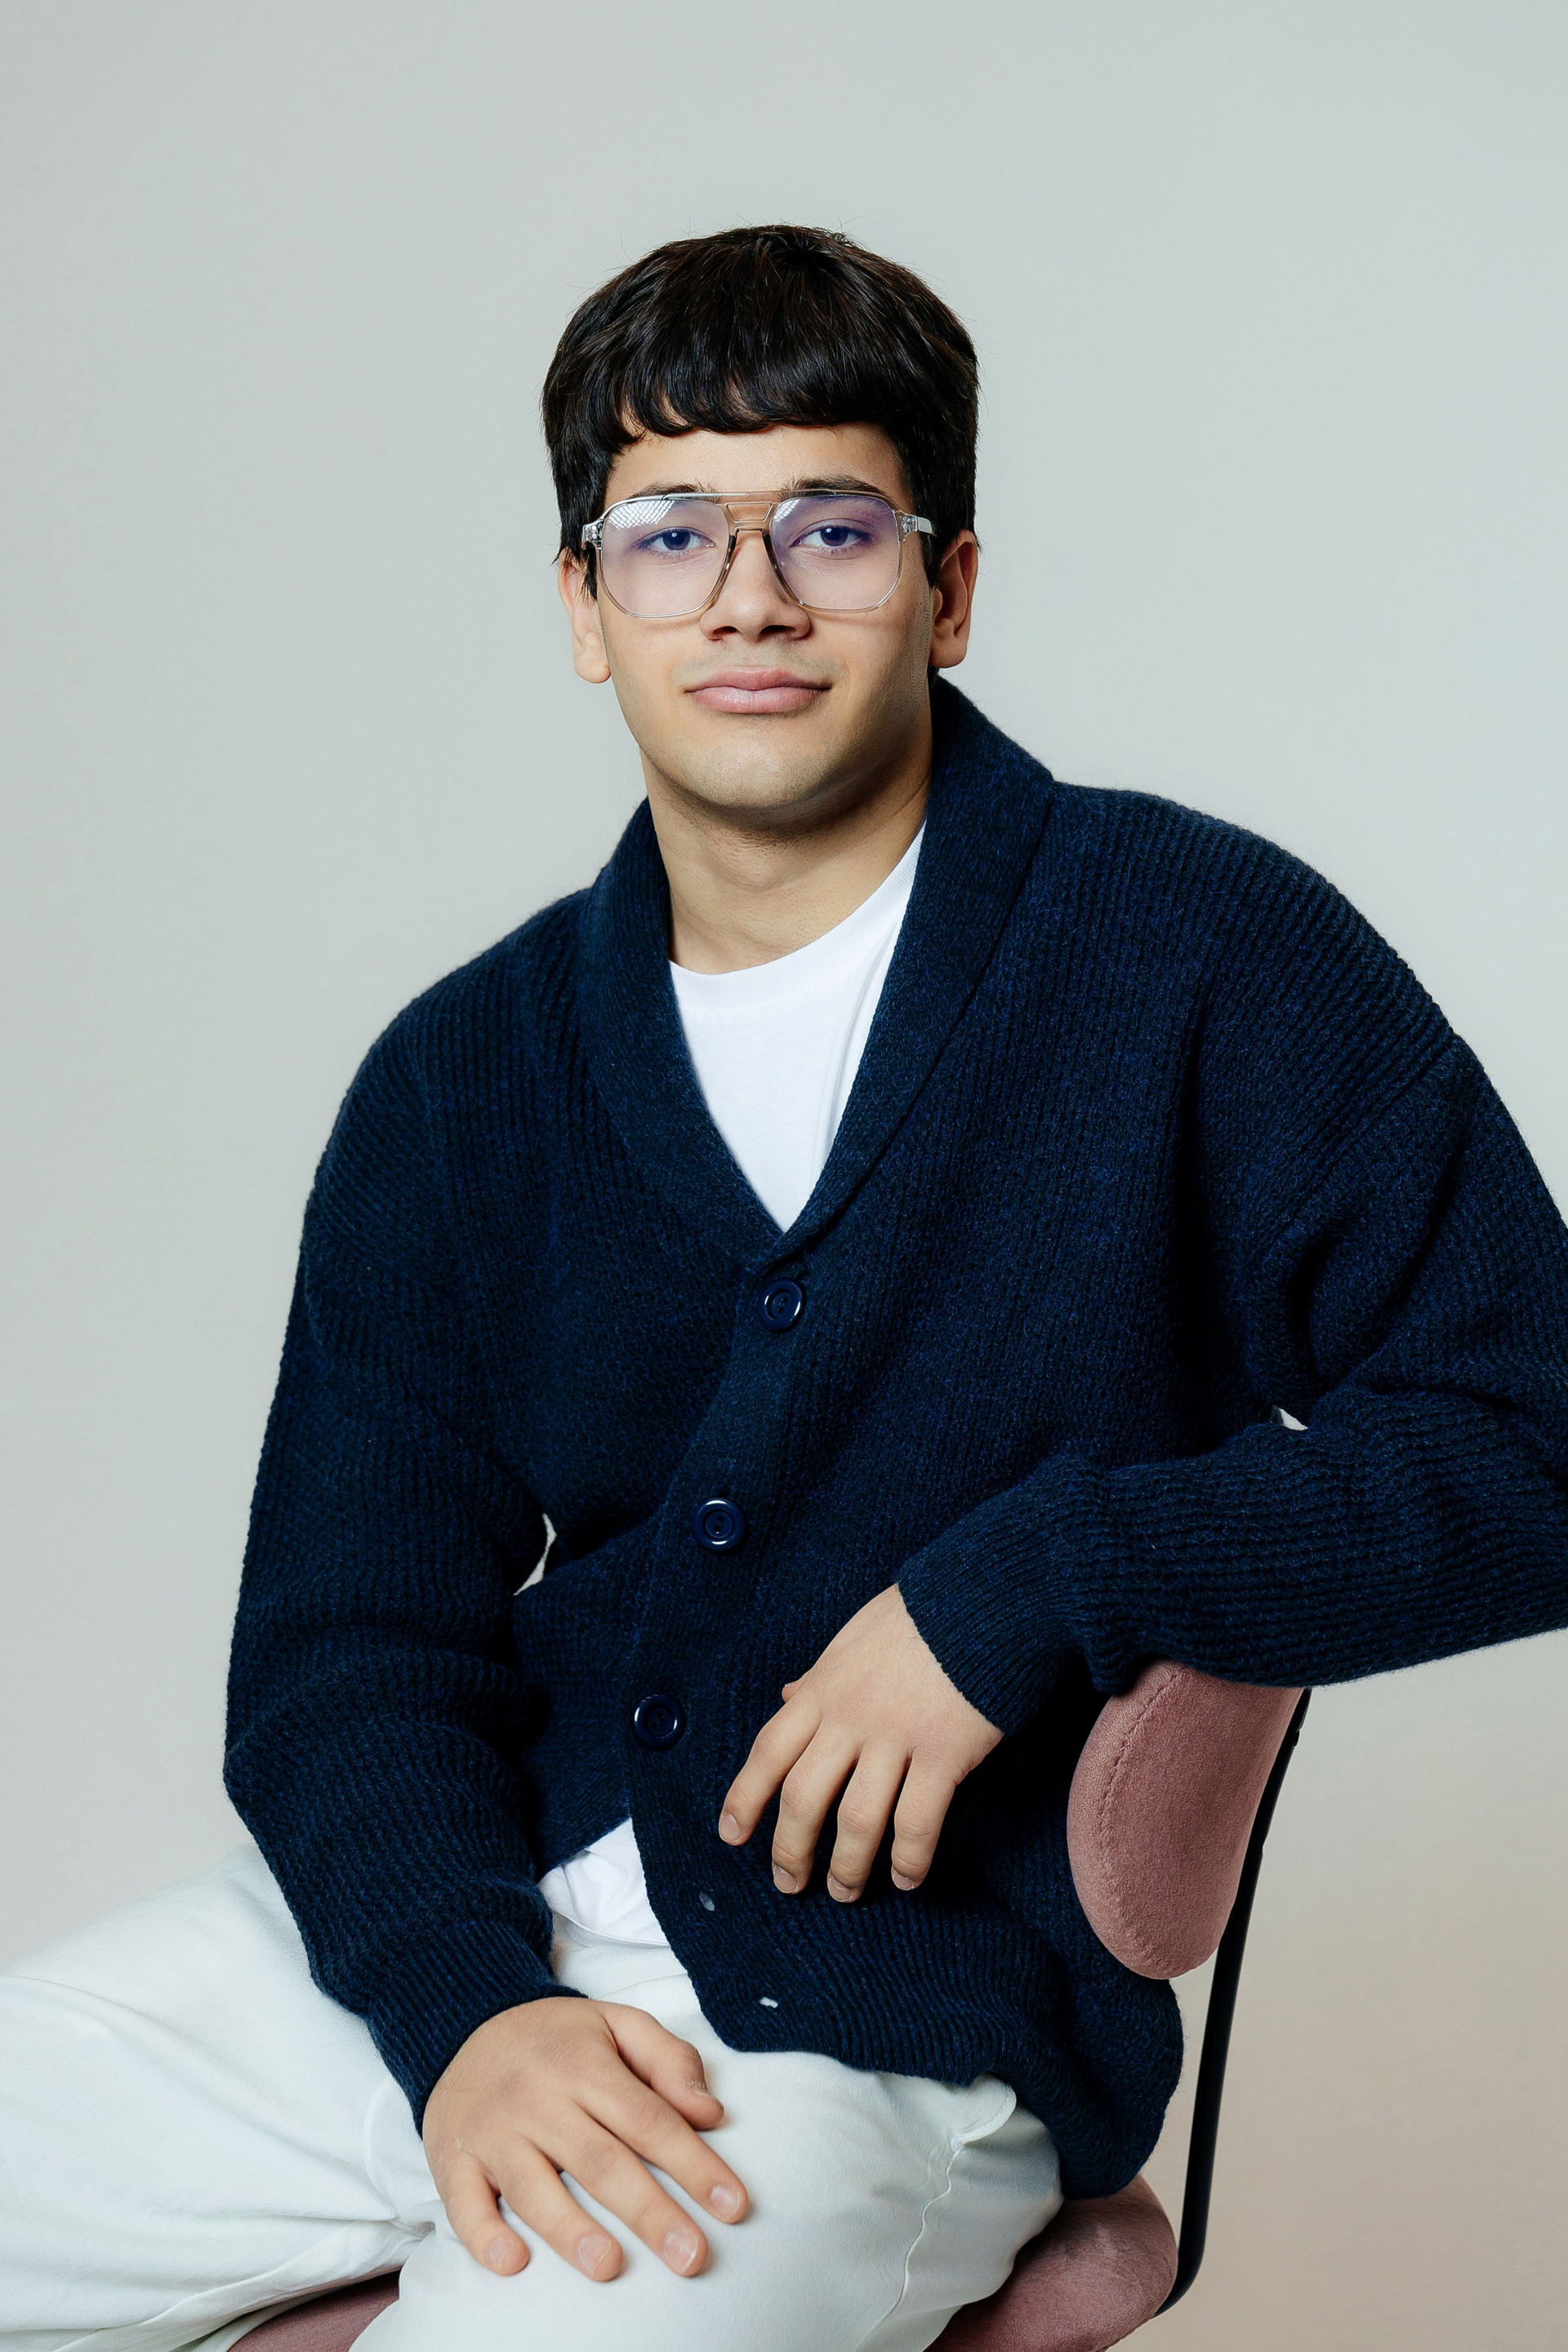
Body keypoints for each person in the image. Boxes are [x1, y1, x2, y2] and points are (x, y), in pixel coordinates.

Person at [4, 223, 1567, 2352]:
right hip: (427, 1965)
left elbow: (1534, 1435)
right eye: (670, 534)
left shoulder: (1193, 952)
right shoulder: (464, 1078)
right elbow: (345, 1647)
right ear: (586, 609)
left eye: (832, 525)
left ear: (950, 585)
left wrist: (1030, 1585)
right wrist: (467, 2014)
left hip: (876, 2026)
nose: (748, 595)